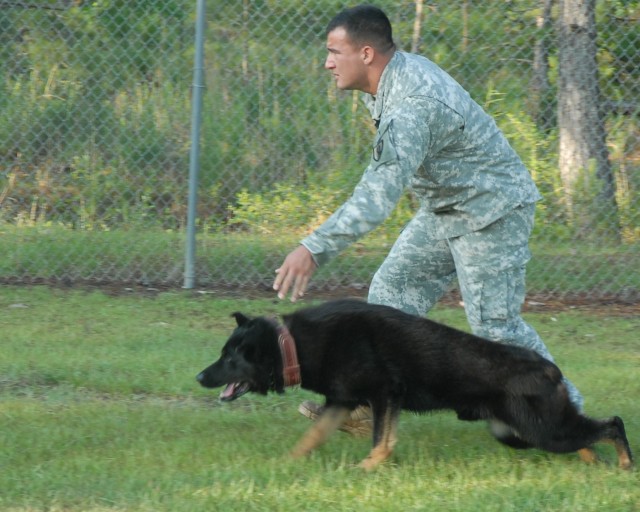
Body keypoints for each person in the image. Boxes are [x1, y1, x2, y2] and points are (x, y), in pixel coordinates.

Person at [272, 4, 584, 432]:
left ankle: (569, 418)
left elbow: (377, 196)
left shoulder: (412, 105)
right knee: (392, 290)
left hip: (492, 208)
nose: (326, 62)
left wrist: (313, 247)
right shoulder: (385, 83)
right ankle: (369, 400)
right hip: (446, 205)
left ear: (365, 53)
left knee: (496, 328)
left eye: (333, 51)